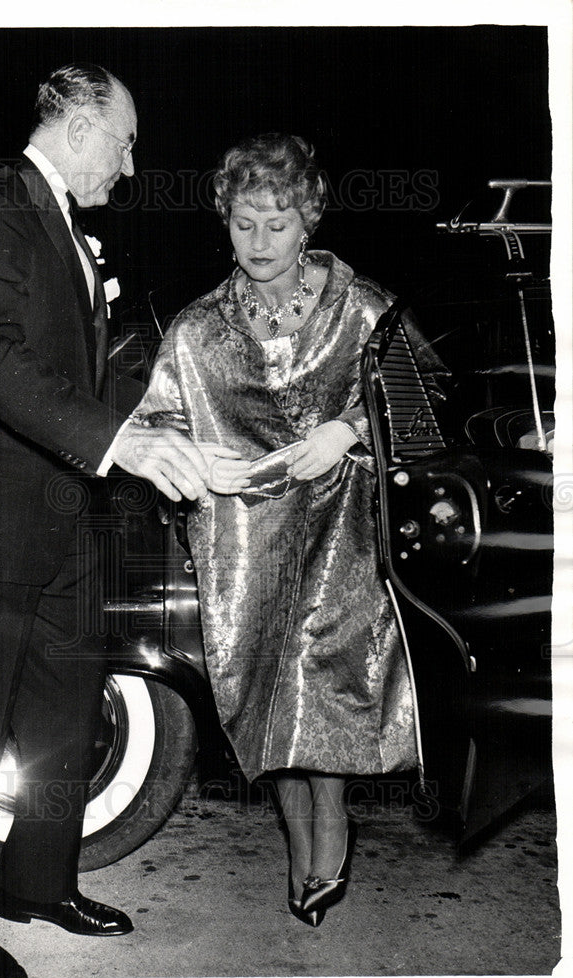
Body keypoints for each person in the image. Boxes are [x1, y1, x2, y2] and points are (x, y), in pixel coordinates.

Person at [0, 63, 248, 978]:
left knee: (65, 709)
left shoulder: (64, 228)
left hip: (55, 518)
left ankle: (37, 884)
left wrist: (182, 431)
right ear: (80, 128)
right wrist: (115, 443)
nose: (127, 168)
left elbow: (81, 380)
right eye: (124, 144)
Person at [131, 133, 447, 928]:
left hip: (348, 533)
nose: (260, 242)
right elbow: (156, 425)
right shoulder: (199, 331)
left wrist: (348, 430)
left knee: (324, 685)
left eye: (277, 222)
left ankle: (330, 827)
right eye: (244, 223)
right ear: (225, 223)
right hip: (245, 544)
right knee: (266, 694)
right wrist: (198, 463)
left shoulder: (363, 309)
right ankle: (297, 828)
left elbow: (426, 403)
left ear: (307, 219)